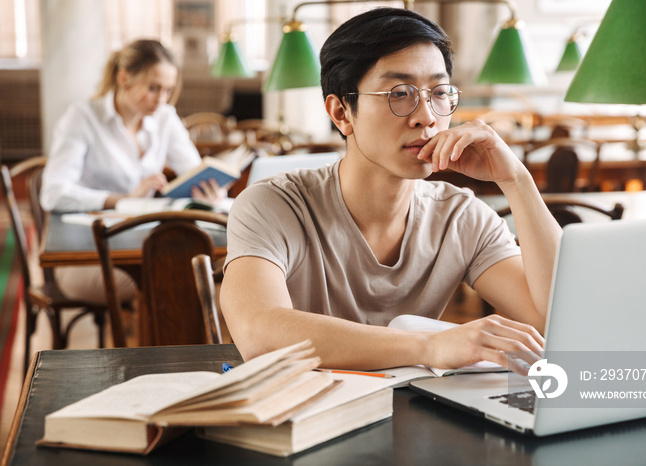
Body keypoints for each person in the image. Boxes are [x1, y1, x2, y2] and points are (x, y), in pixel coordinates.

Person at [221, 8, 561, 373]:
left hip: (422, 418)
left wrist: (516, 181)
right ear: (341, 113)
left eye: (440, 92)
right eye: (400, 93)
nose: (427, 116)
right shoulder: (274, 205)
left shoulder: (461, 217)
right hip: (311, 419)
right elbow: (258, 331)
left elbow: (556, 322)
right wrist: (429, 346)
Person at [41, 39, 227, 304]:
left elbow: (194, 171)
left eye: (168, 90)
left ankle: (171, 344)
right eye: (153, 88)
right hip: (86, 255)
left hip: (144, 245)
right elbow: (53, 193)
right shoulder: (82, 118)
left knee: (186, 274)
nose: (161, 99)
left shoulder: (165, 117)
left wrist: (209, 190)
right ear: (124, 77)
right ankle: (148, 344)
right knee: (170, 279)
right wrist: (124, 200)